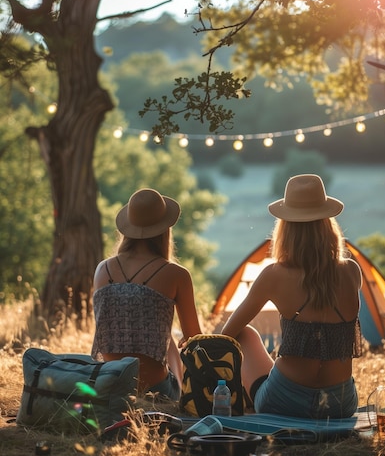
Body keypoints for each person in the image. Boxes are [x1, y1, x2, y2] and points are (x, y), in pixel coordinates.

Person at [222, 174, 363, 419]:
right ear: (328, 225)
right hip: (340, 404)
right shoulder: (351, 271)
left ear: (285, 229)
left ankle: (236, 399)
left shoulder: (274, 275)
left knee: (245, 334)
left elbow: (227, 335)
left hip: (285, 402)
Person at [92, 188, 202, 400]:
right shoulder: (176, 274)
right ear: (165, 230)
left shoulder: (102, 270)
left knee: (167, 335)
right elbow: (195, 339)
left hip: (109, 387)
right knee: (171, 338)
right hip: (155, 391)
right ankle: (179, 395)